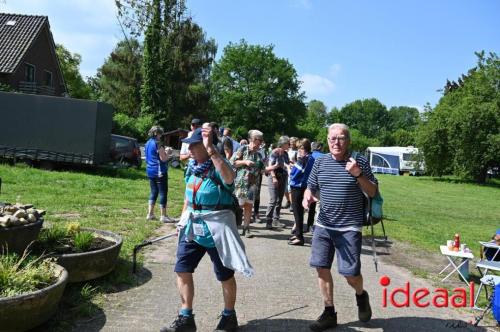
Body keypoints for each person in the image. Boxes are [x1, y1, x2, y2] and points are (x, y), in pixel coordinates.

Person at [161, 124, 253, 332]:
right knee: (182, 268)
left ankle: (229, 317)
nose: (190, 149)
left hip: (217, 227)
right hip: (193, 225)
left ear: (206, 146)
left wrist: (212, 149)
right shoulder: (191, 168)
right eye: (189, 146)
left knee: (224, 274)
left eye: (194, 145)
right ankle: (186, 318)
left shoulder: (220, 165)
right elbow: (188, 197)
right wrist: (182, 221)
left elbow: (230, 179)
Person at [302, 123, 378, 331]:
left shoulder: (359, 161)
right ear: (327, 140)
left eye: (341, 138)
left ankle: (361, 296)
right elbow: (311, 187)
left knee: (350, 273)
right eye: (332, 138)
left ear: (348, 141)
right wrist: (308, 196)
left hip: (349, 227)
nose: (336, 142)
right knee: (321, 267)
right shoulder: (321, 161)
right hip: (323, 224)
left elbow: (372, 192)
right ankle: (329, 313)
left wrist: (358, 174)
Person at [230, 130, 269, 238]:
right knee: (239, 206)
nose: (261, 142)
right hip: (241, 183)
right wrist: (244, 162)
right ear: (252, 139)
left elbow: (262, 169)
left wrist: (272, 168)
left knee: (249, 206)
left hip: (253, 185)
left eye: (261, 140)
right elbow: (232, 162)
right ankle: (233, 228)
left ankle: (246, 229)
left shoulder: (259, 153)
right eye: (259, 140)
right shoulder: (243, 148)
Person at [288, 139, 315, 246]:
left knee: (297, 212)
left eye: (299, 148)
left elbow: (293, 174)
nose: (298, 150)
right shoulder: (311, 158)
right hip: (305, 186)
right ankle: (298, 234)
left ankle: (299, 237)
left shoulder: (303, 159)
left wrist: (289, 168)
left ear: (303, 148)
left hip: (297, 187)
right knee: (300, 212)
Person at [145, 125, 174, 223]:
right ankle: (163, 216)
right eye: (160, 133)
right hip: (159, 171)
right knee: (163, 192)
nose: (161, 136)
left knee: (153, 192)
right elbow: (163, 158)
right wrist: (169, 153)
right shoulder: (158, 144)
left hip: (150, 170)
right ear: (157, 133)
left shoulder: (147, 143)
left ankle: (150, 214)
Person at [265, 136, 290, 229]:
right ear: (283, 143)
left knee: (279, 200)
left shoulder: (285, 154)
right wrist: (274, 177)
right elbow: (270, 165)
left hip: (283, 177)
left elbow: (285, 165)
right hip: (274, 177)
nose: (289, 145)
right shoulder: (275, 152)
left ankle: (276, 219)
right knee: (273, 200)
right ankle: (268, 220)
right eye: (288, 143)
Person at [306, 142, 324, 232]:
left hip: (306, 183)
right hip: (318, 184)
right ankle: (315, 226)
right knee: (317, 206)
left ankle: (301, 226)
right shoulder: (323, 156)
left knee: (306, 205)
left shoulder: (309, 155)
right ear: (320, 147)